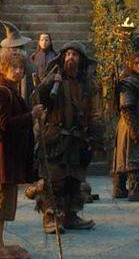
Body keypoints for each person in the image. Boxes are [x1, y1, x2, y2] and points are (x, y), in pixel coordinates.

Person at [34, 42, 100, 233]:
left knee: (74, 180)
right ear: (63, 58)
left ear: (81, 60)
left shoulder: (89, 84)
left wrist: (96, 136)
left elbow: (95, 113)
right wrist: (48, 83)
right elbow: (38, 99)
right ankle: (50, 217)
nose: (71, 57)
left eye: (75, 55)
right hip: (55, 137)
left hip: (78, 138)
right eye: (68, 54)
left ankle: (70, 216)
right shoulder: (54, 79)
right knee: (54, 180)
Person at [0, 51, 35, 259]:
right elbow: (5, 124)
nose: (19, 71)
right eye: (14, 67)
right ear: (3, 69)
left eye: (21, 68)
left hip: (7, 156)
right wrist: (31, 116)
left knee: (2, 201)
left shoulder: (11, 90)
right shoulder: (2, 93)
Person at [111, 50, 139, 201]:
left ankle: (121, 189)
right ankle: (129, 190)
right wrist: (135, 129)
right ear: (131, 64)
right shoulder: (129, 82)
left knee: (124, 155)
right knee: (134, 156)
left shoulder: (137, 80)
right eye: (136, 63)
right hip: (130, 123)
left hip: (130, 122)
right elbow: (126, 107)